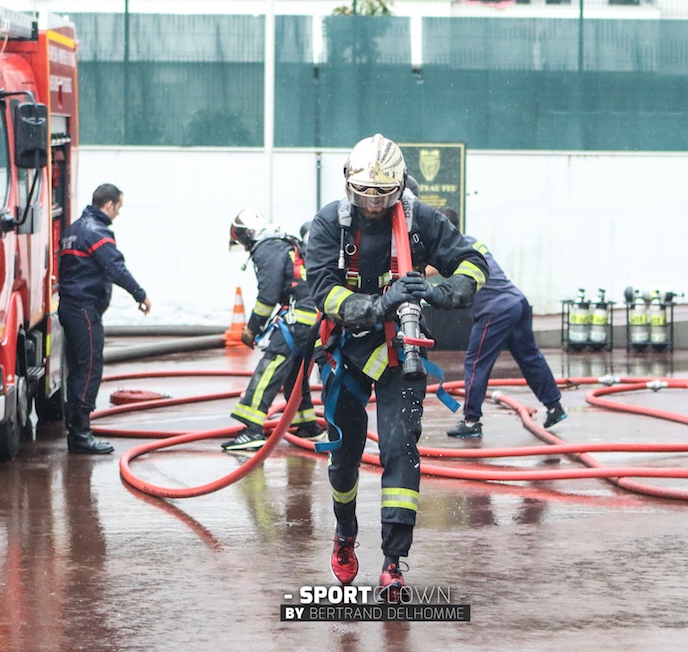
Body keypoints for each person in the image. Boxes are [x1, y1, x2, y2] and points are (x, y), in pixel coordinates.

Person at [305, 134, 488, 599]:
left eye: (382, 196)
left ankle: (393, 562)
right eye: (363, 194)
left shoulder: (420, 221)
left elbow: (472, 262)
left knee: (399, 450)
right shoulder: (330, 224)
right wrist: (380, 303)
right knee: (343, 460)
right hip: (345, 353)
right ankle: (345, 533)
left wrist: (444, 293)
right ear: (349, 185)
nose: (371, 205)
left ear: (399, 187)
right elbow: (324, 293)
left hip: (398, 353)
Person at [439, 208, 567, 438]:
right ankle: (555, 406)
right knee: (530, 357)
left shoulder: (451, 248)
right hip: (517, 302)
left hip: (495, 310)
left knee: (476, 363)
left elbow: (426, 269)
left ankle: (471, 422)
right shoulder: (471, 241)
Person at [221, 208, 325, 451]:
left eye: (243, 242)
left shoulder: (267, 249)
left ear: (248, 235)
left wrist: (252, 329)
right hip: (312, 321)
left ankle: (251, 430)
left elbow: (267, 296)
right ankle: (308, 425)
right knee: (294, 377)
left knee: (268, 370)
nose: (245, 249)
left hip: (297, 321)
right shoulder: (285, 244)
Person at [58, 184, 151, 455]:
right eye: (118, 207)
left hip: (69, 306)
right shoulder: (96, 232)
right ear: (109, 205)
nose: (118, 214)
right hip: (84, 309)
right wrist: (140, 295)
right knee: (89, 368)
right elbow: (115, 268)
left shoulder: (73, 230)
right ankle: (81, 434)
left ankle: (75, 427)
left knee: (76, 368)